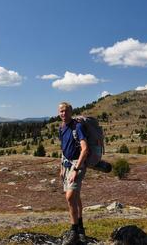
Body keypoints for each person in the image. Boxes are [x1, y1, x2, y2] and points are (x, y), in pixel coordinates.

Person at [58, 102, 88, 244]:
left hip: (78, 164)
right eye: (61, 111)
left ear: (71, 112)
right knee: (75, 196)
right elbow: (63, 148)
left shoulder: (78, 126)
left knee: (70, 197)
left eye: (65, 111)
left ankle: (73, 230)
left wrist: (76, 169)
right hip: (67, 164)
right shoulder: (61, 127)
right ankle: (81, 228)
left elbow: (85, 149)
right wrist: (62, 168)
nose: (63, 114)